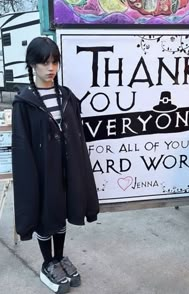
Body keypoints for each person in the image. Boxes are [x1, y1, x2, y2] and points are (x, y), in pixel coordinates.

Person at [12, 37, 99, 294]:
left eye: (55, 62)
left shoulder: (66, 96)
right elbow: (22, 144)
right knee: (45, 216)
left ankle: (59, 257)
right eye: (44, 62)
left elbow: (77, 136)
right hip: (41, 172)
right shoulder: (24, 102)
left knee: (61, 213)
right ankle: (47, 262)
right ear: (32, 64)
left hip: (66, 170)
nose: (50, 68)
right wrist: (31, 177)